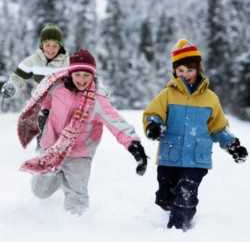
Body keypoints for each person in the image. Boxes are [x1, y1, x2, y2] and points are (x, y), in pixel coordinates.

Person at [17, 49, 148, 216]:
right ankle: (57, 178)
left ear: (93, 76)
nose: (82, 80)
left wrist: (134, 146)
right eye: (78, 74)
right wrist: (43, 113)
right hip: (51, 147)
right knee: (40, 191)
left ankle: (77, 227)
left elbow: (117, 123)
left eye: (87, 76)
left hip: (80, 153)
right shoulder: (57, 87)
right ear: (70, 73)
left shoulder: (97, 99)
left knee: (77, 196)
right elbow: (45, 101)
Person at [143, 39, 248, 230]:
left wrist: (233, 145)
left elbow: (218, 127)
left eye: (190, 70)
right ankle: (172, 207)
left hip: (196, 159)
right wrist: (153, 126)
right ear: (174, 71)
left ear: (198, 69)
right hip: (170, 157)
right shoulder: (167, 95)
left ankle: (178, 228)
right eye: (180, 70)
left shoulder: (210, 98)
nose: (185, 75)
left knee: (186, 193)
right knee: (165, 197)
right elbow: (153, 114)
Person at [1, 23, 69, 99]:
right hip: (39, 102)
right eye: (47, 45)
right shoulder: (34, 60)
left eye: (55, 46)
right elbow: (18, 77)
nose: (51, 49)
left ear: (60, 47)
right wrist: (12, 86)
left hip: (61, 103)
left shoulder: (67, 63)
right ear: (42, 45)